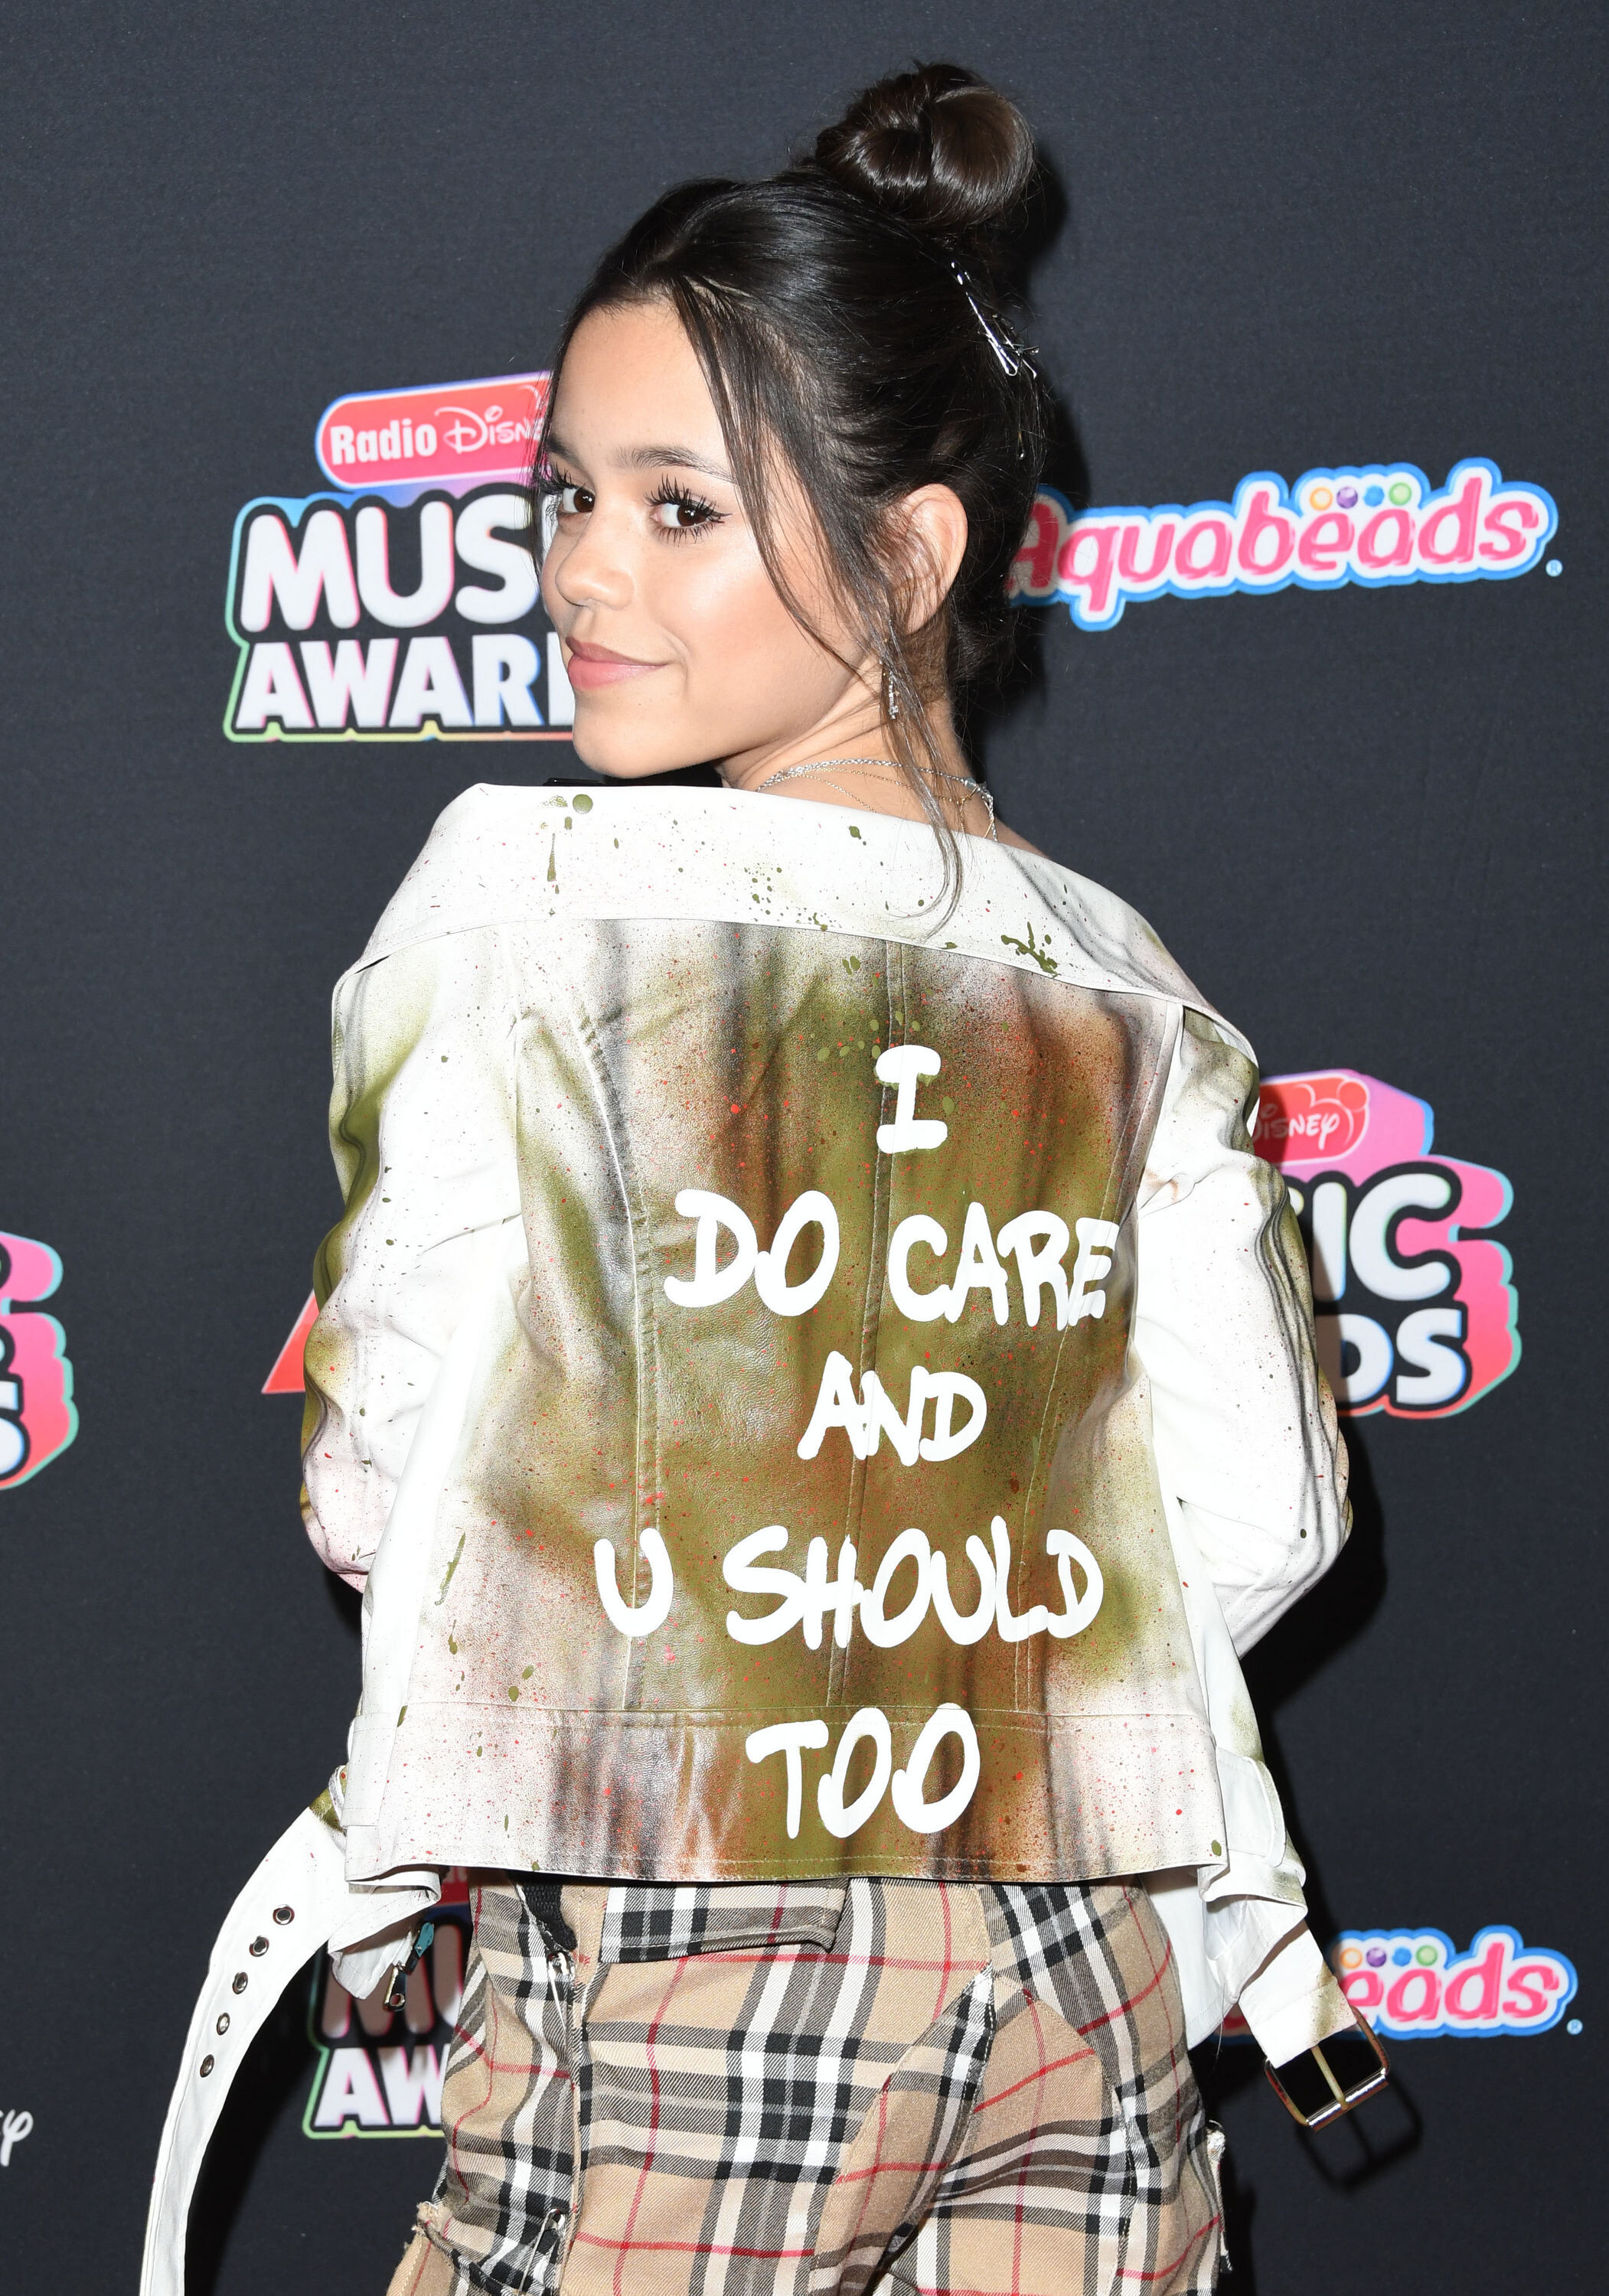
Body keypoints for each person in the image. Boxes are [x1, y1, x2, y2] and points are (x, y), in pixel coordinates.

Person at [142, 62, 1367, 2296]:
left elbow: (379, 1484)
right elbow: (1267, 1524)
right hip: (1090, 1972)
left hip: (704, 1952)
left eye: (679, 508)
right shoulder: (1133, 988)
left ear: (912, 553)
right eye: (566, 493)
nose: (580, 569)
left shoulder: (524, 907)